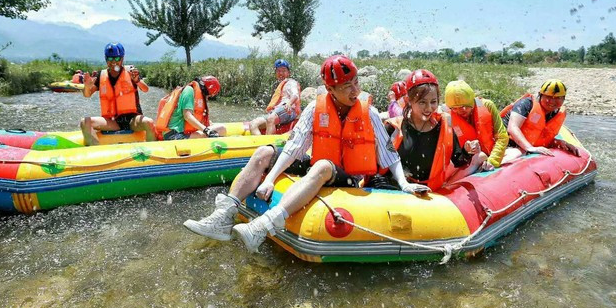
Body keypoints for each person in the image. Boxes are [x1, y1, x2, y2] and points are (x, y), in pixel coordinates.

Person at [183, 55, 424, 252]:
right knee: (263, 152)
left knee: (322, 166)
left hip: (349, 177)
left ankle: (265, 225)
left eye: (356, 83)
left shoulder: (369, 113)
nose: (355, 90)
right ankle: (223, 216)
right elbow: (294, 147)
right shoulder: (315, 108)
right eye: (347, 86)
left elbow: (389, 154)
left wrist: (404, 184)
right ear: (330, 89)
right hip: (321, 167)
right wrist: (268, 179)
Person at [386, 70, 487, 192]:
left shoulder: (444, 128)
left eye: (433, 102)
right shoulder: (394, 128)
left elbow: (459, 160)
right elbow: (380, 167)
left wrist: (467, 150)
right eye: (422, 102)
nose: (429, 108)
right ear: (409, 100)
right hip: (392, 192)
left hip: (428, 194)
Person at [80, 43, 155, 146]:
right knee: (85, 122)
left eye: (117, 58)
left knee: (149, 122)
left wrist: (137, 81)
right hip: (112, 121)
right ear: (106, 59)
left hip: (132, 119)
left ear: (122, 58)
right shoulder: (100, 75)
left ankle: (151, 152)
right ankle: (95, 152)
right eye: (110, 58)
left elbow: (145, 89)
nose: (113, 62)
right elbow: (87, 95)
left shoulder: (131, 71)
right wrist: (87, 86)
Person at [500, 79, 579, 159]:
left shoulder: (555, 113)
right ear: (540, 95)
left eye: (558, 98)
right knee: (517, 153)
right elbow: (512, 128)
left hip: (525, 147)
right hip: (505, 144)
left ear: (563, 99)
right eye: (548, 96)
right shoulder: (525, 105)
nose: (552, 101)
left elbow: (542, 137)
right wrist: (529, 148)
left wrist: (560, 143)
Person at [443, 80, 510, 170]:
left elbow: (502, 136)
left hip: (490, 156)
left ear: (471, 101)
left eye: (464, 107)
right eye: (454, 109)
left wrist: (492, 161)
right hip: (464, 160)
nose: (460, 111)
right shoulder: (446, 116)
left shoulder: (488, 106)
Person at [154, 76, 227, 140]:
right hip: (175, 135)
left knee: (218, 127)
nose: (208, 98)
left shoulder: (191, 91)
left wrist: (207, 125)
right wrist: (206, 130)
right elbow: (187, 116)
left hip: (175, 133)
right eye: (209, 96)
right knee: (222, 129)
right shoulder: (189, 91)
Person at [247, 59, 301, 135]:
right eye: (278, 71)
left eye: (284, 70)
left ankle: (268, 144)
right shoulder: (280, 85)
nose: (281, 73)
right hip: (278, 111)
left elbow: (295, 95)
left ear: (289, 73)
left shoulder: (291, 82)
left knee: (270, 118)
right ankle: (260, 144)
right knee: (253, 124)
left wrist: (289, 103)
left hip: (289, 110)